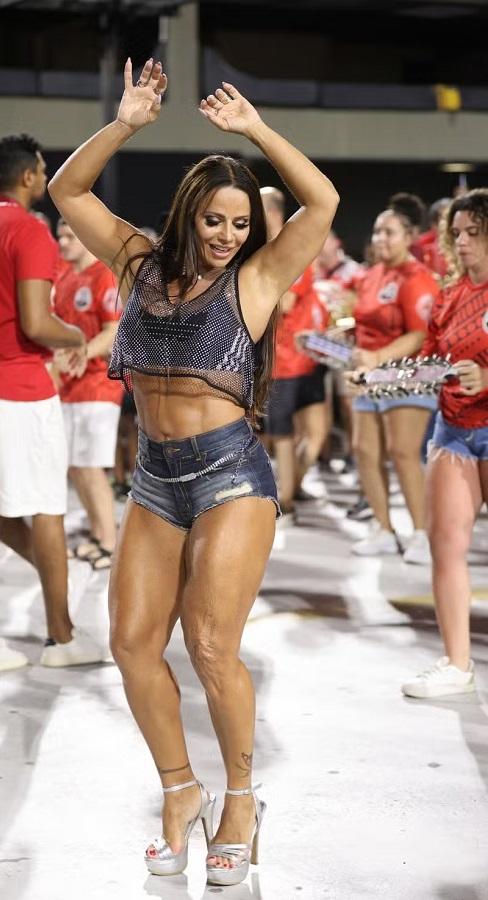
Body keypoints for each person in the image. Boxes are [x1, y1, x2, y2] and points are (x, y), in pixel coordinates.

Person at [48, 57, 338, 885]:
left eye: (239, 223)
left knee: (211, 646)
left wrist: (254, 132)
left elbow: (320, 203)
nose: (226, 235)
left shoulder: (257, 278)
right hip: (154, 479)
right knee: (134, 645)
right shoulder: (138, 262)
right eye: (214, 219)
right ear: (189, 214)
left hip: (229, 477)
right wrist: (128, 122)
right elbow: (70, 192)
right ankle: (181, 791)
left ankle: (242, 798)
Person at [0, 133, 110, 677]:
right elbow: (37, 324)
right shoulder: (30, 232)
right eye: (42, 168)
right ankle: (60, 636)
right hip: (19, 390)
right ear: (31, 177)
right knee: (46, 512)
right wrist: (74, 340)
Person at [402, 189, 488, 698]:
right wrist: (385, 377)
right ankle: (458, 663)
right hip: (453, 430)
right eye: (457, 234)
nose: (463, 242)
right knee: (446, 546)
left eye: (475, 232)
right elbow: (433, 357)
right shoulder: (451, 295)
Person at [348, 197, 440, 563]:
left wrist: (378, 358)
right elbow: (366, 322)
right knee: (364, 451)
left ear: (410, 237)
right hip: (369, 375)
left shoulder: (419, 279)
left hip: (410, 374)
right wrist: (346, 338)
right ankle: (384, 529)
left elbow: (419, 334)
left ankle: (422, 533)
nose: (380, 238)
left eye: (389, 232)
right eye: (376, 231)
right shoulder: (371, 275)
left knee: (403, 452)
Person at [53, 218, 123, 569]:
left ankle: (110, 542)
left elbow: (114, 330)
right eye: (60, 235)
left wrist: (85, 352)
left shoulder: (103, 275)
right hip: (68, 386)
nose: (62, 241)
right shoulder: (64, 276)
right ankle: (97, 535)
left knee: (92, 467)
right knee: (76, 466)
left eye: (69, 235)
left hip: (98, 385)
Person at [261, 187, 329, 521]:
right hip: (283, 362)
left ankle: (289, 491)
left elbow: (284, 303)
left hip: (298, 361)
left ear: (272, 214)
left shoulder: (290, 252)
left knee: (312, 435)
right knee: (285, 435)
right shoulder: (264, 253)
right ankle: (286, 496)